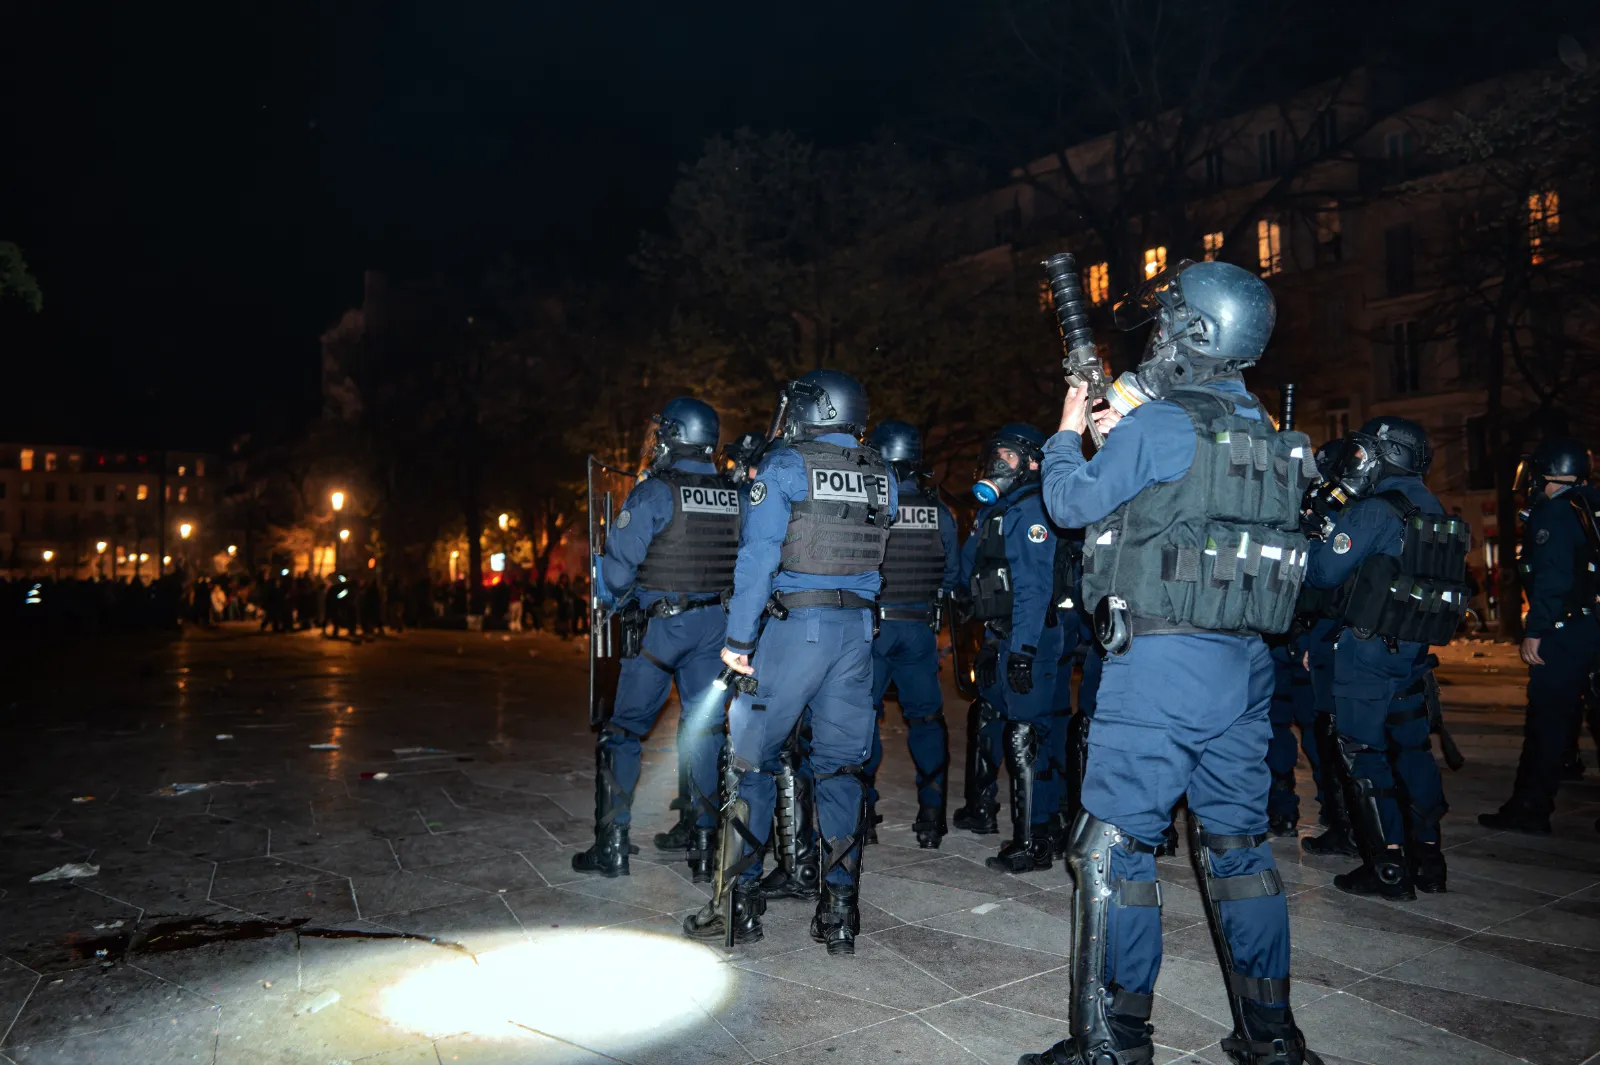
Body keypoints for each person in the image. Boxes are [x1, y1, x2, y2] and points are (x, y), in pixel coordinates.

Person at [1033, 259, 1323, 1065]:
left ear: (1195, 333)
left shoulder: (1164, 424)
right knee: (1238, 849)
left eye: (1167, 322)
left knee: (1113, 846)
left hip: (1162, 663)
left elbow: (1068, 502)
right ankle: (1272, 1037)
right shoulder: (1268, 433)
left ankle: (1111, 1043)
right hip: (1246, 667)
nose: (1157, 334)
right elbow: (1183, 507)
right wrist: (1119, 443)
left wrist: (1066, 432)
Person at [683, 369, 894, 955]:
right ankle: (840, 914)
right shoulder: (882, 473)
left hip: (795, 630)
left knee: (749, 761)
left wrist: (737, 641)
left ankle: (738, 907)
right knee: (840, 770)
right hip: (857, 633)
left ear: (815, 409)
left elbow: (757, 559)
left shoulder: (784, 466)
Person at [570, 397, 739, 883]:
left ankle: (612, 846)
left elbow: (616, 575)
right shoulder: (734, 494)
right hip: (717, 625)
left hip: (663, 629)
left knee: (622, 732)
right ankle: (704, 845)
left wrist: (614, 592)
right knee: (705, 731)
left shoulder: (655, 492)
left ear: (674, 436)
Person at [1302, 418, 1461, 900]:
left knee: (1362, 753)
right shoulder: (1430, 505)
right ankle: (1429, 858)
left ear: (1386, 455)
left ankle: (1387, 866)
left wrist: (1316, 534)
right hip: (1412, 652)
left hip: (1368, 652)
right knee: (1413, 752)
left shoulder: (1375, 509)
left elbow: (1323, 573)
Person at [956, 423, 1066, 871]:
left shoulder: (1032, 509)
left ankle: (1034, 840)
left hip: (1030, 636)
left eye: (1009, 455)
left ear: (1033, 463)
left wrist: (1023, 650)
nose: (999, 462)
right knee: (997, 717)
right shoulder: (997, 510)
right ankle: (1005, 815)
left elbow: (1034, 588)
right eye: (996, 454)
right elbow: (974, 570)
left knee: (1028, 735)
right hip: (1002, 635)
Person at [1480, 438, 1600, 834]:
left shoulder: (1555, 513)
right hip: (1594, 625)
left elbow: (1552, 578)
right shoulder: (1591, 505)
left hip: (1566, 631)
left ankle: (1530, 808)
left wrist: (1536, 630)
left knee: (1547, 721)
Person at [861, 420, 960, 849]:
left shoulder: (869, 504)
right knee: (927, 719)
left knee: (863, 717)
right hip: (920, 628)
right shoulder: (939, 510)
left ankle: (862, 815)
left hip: (873, 628)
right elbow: (953, 575)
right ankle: (932, 818)